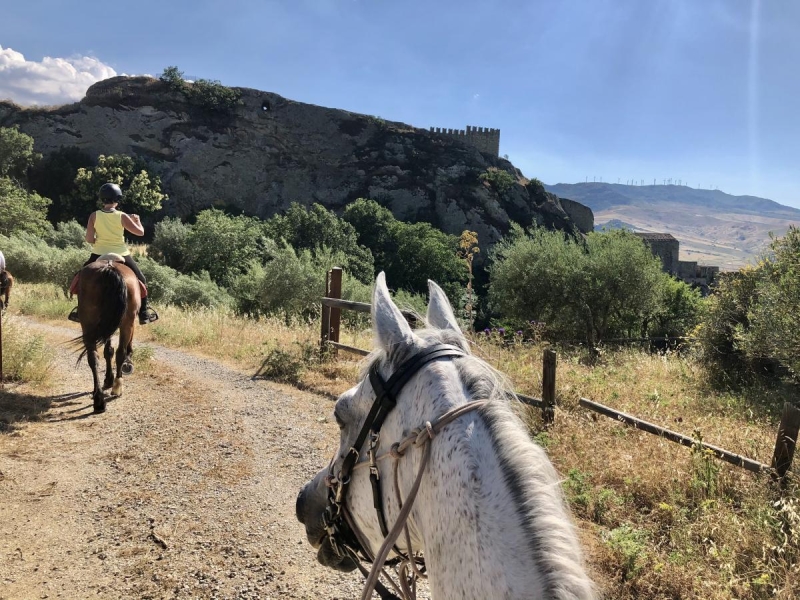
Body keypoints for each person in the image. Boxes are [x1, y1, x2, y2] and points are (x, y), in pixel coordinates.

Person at [68, 183, 158, 325]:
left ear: (102, 199)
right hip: (121, 253)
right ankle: (144, 313)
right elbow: (140, 232)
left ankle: (79, 312)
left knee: (80, 277)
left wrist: (101, 240)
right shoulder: (122, 216)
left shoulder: (94, 216)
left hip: (98, 253)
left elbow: (89, 239)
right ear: (118, 199)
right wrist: (138, 220)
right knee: (141, 279)